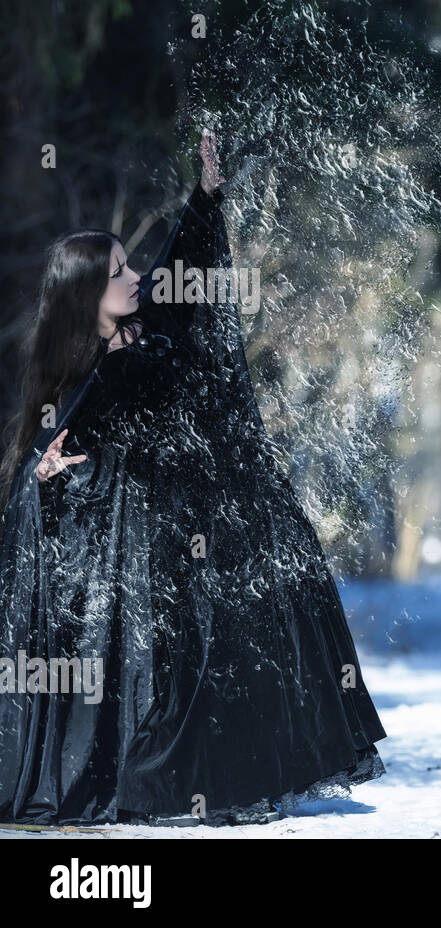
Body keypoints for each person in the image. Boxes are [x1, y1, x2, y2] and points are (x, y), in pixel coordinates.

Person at [0, 129, 387, 826]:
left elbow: (188, 267)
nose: (133, 276)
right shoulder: (82, 377)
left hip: (192, 534)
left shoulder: (149, 330)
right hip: (136, 564)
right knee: (166, 678)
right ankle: (157, 791)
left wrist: (206, 198)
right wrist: (46, 477)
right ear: (86, 290)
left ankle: (230, 778)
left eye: (127, 265)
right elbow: (41, 472)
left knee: (224, 654)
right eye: (118, 271)